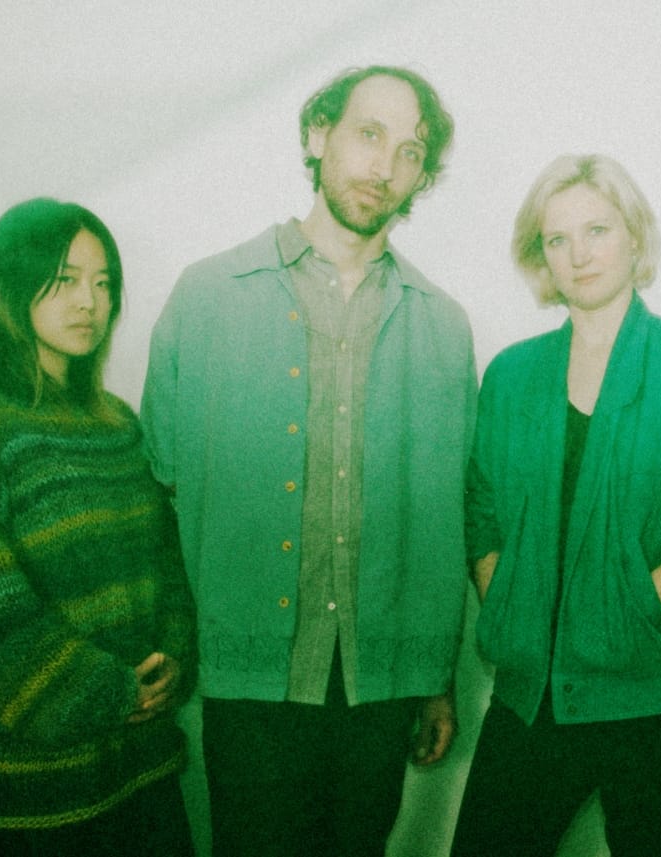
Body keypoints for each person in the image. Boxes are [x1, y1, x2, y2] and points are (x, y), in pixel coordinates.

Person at [140, 65, 476, 857]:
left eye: (409, 150)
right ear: (317, 134)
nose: (383, 166)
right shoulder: (207, 297)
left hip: (381, 683)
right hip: (248, 680)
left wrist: (437, 673)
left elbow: (445, 520)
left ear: (421, 176)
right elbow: (159, 483)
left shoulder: (443, 327)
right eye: (368, 134)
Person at [449, 154, 661, 857]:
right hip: (530, 697)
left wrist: (641, 600)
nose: (579, 254)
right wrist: (513, 598)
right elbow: (481, 508)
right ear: (539, 256)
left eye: (598, 230)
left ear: (635, 238)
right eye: (557, 239)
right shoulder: (513, 374)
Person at [0, 198, 198, 857]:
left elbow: (168, 565)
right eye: (65, 279)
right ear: (10, 287)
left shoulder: (121, 424)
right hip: (30, 803)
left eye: (103, 284)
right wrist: (111, 691)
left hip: (144, 777)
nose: (88, 302)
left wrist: (172, 659)